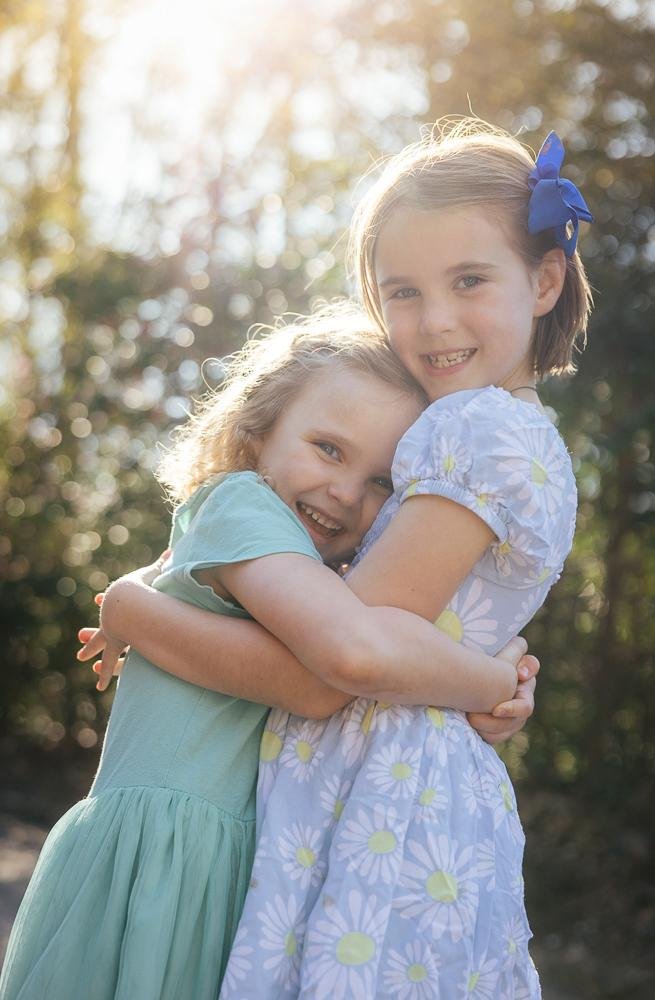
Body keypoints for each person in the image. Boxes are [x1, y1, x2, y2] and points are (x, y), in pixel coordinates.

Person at [0, 305, 534, 1000]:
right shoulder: (240, 504)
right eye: (328, 449)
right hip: (166, 865)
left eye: (381, 483)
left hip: (232, 873)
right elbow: (325, 679)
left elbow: (389, 642)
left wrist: (506, 673)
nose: (345, 492)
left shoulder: (325, 578)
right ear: (255, 436)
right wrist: (492, 678)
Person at [210, 121, 592, 998]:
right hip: (405, 788)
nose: (434, 320)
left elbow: (335, 661)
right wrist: (487, 673)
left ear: (543, 279)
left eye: (468, 280)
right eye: (402, 292)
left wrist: (137, 611)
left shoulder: (477, 427)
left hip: (385, 791)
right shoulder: (497, 433)